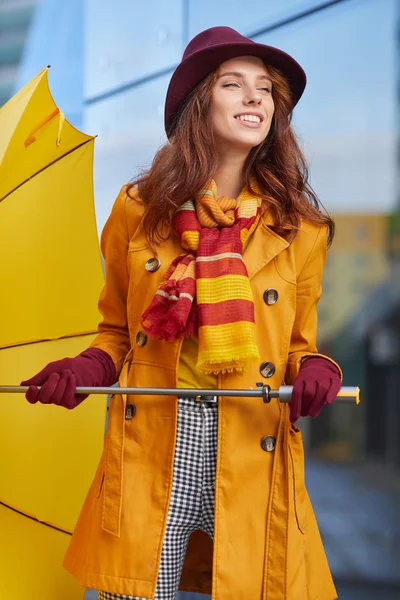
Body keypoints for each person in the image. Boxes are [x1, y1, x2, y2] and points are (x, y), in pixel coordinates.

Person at [21, 26, 342, 600]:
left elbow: (297, 346)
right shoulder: (137, 212)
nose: (254, 98)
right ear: (199, 103)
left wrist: (318, 369)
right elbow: (118, 330)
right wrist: (87, 369)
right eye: (233, 84)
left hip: (249, 439)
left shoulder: (301, 229)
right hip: (154, 442)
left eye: (265, 89)